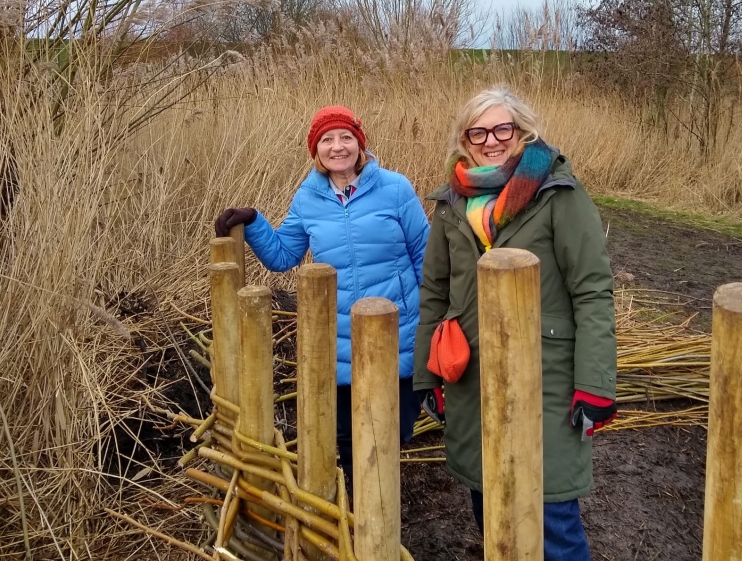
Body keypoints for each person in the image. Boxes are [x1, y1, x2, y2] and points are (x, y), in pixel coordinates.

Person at [413, 86, 617, 561]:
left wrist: (596, 384)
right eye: (478, 131)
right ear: (464, 138)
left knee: (551, 520)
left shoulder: (557, 192)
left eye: (502, 128)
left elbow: (592, 290)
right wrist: (429, 376)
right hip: (472, 378)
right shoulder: (450, 203)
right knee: (491, 512)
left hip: (545, 377)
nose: (491, 140)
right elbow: (435, 294)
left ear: (522, 131)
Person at [216, 105, 429, 482]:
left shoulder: (395, 188)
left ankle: (381, 516)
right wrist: (253, 222)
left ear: (359, 144)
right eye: (327, 140)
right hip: (342, 342)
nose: (337, 147)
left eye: (346, 137)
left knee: (392, 434)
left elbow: (425, 257)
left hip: (399, 334)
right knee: (348, 440)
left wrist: (432, 323)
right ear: (316, 150)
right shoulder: (308, 198)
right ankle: (357, 521)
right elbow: (283, 257)